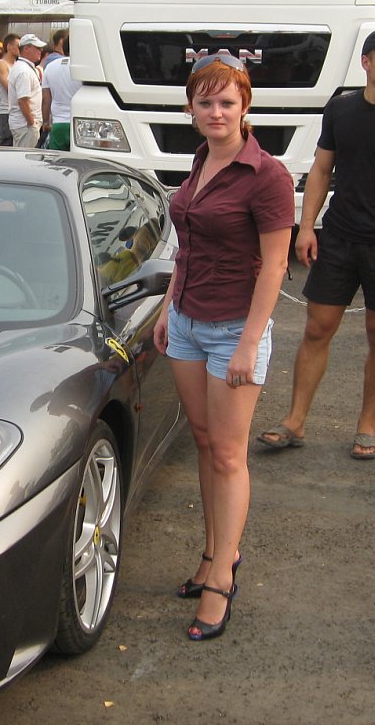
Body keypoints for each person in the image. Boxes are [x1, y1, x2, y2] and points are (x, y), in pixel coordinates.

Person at [153, 55, 293, 641]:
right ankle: (215, 552)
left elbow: (276, 264)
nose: (216, 112)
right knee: (206, 442)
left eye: (227, 102)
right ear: (190, 108)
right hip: (187, 321)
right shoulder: (201, 160)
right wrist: (168, 309)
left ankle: (221, 582)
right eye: (205, 102)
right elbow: (186, 246)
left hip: (235, 329)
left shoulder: (267, 174)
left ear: (245, 107)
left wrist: (250, 343)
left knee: (230, 455)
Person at [257, 28, 375, 459]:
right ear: (366, 62)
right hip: (339, 236)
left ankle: (367, 427)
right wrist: (306, 227)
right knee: (317, 327)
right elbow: (321, 170)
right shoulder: (341, 109)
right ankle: (294, 421)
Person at [9, 34, 46, 148]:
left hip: (24, 125)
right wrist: (32, 123)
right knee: (24, 156)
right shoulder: (23, 71)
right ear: (26, 48)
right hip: (25, 125)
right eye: (37, 47)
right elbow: (23, 101)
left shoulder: (24, 67)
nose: (40, 50)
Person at [43, 34, 78, 151]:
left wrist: (46, 122)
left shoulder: (50, 67)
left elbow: (46, 100)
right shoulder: (83, 68)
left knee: (57, 160)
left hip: (58, 124)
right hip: (79, 125)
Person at [0, 33, 19, 146]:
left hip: (17, 112)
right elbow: (9, 88)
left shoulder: (17, 65)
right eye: (18, 46)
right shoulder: (1, 64)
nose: (20, 49)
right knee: (6, 144)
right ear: (9, 46)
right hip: (5, 111)